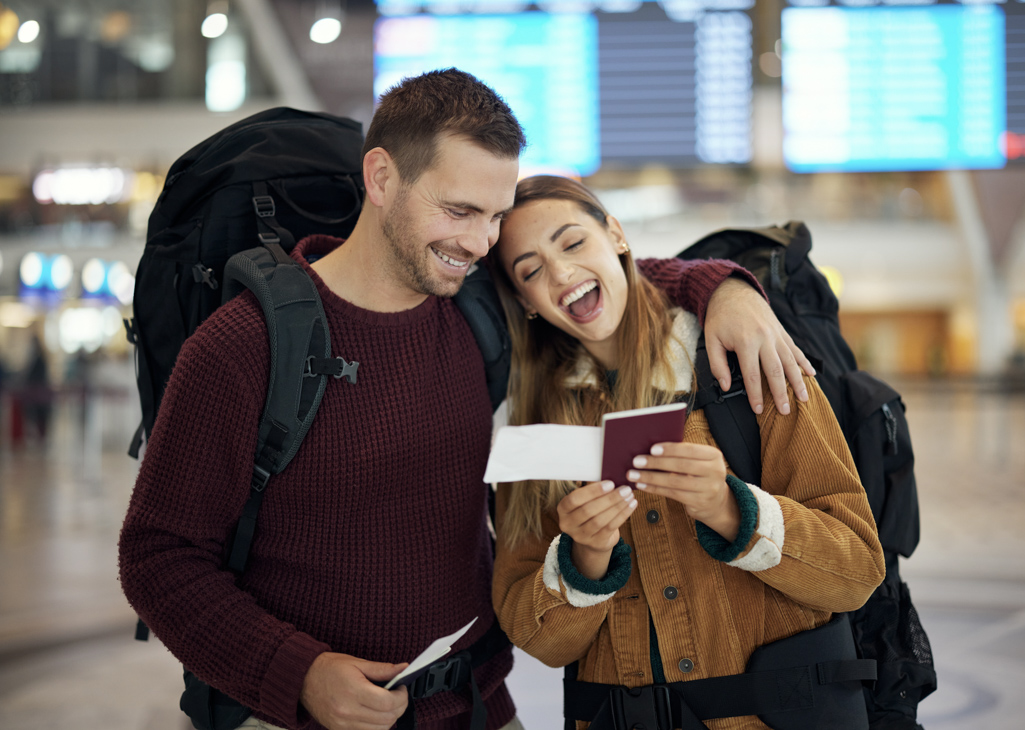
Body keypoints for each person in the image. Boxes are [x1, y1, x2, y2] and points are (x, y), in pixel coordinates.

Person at [118, 70, 809, 730]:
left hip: (477, 706)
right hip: (290, 716)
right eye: (459, 211)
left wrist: (722, 287)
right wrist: (298, 672)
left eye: (495, 217)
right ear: (382, 177)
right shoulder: (244, 345)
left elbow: (597, 283)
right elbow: (158, 556)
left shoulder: (477, 306)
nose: (480, 242)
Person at [488, 176, 886, 730]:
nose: (560, 273)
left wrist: (731, 510)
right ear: (524, 302)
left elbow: (857, 570)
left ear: (617, 236)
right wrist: (585, 561)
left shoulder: (747, 359)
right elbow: (539, 642)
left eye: (573, 242)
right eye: (529, 270)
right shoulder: (531, 426)